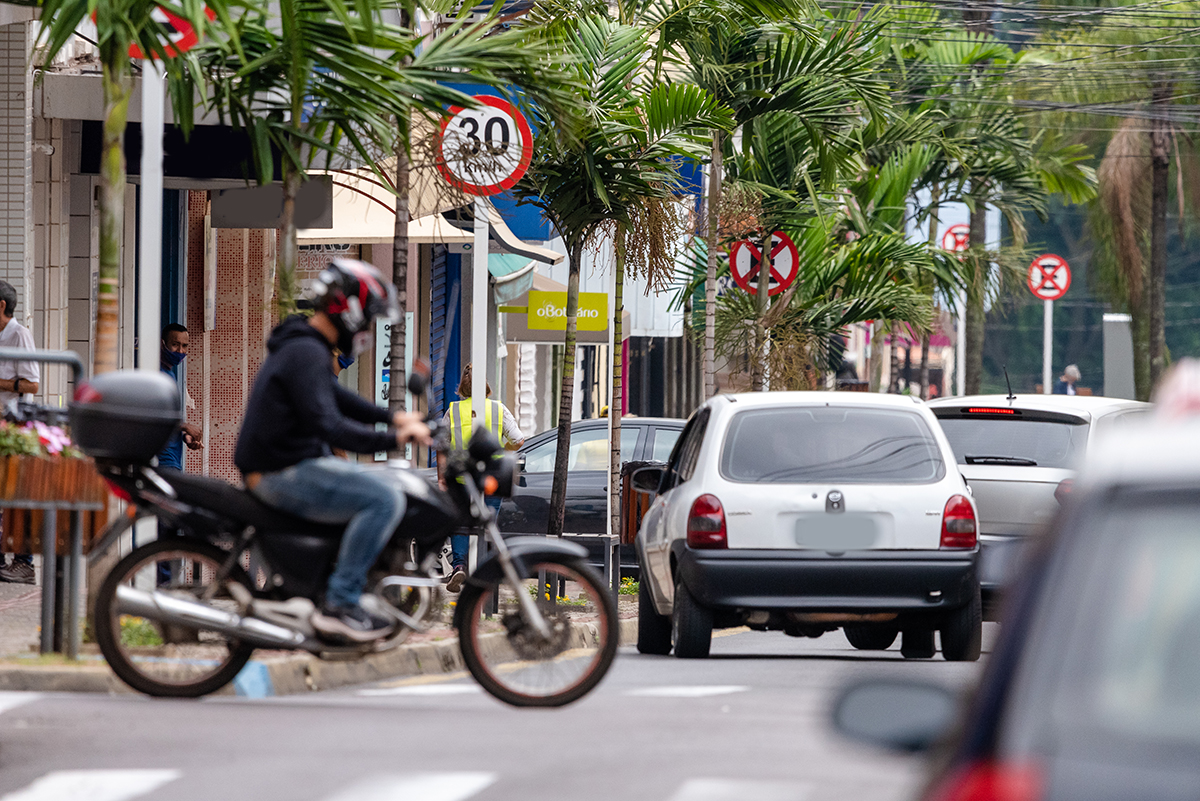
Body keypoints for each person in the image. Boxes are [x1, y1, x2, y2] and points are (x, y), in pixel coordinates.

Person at [235, 259, 430, 643]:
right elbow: (331, 425)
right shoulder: (306, 353)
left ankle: (336, 585)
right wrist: (394, 439)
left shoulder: (306, 347)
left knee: (374, 487)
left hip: (288, 464)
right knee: (384, 499)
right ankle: (340, 603)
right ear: (351, 312)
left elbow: (339, 400)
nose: (368, 330)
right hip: (280, 471)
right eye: (369, 319)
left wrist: (397, 419)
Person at [437, 363, 523, 593]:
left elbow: (441, 446)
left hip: (462, 479)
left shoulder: (452, 411)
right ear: (484, 385)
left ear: (462, 387)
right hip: (491, 478)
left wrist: (442, 478)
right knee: (488, 526)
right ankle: (485, 577)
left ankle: (458, 566)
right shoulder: (498, 409)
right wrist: (501, 452)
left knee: (460, 525)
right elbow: (518, 439)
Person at [0, 281, 39, 585]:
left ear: (1, 306)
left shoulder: (18, 335)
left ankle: (23, 562)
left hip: (11, 424)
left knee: (15, 493)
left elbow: (31, 384)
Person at [157, 324, 203, 470]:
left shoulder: (170, 374)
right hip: (161, 460)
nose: (180, 351)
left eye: (184, 346)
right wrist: (185, 426)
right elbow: (150, 416)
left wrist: (184, 435)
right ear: (162, 344)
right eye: (175, 345)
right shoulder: (156, 376)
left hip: (172, 459)